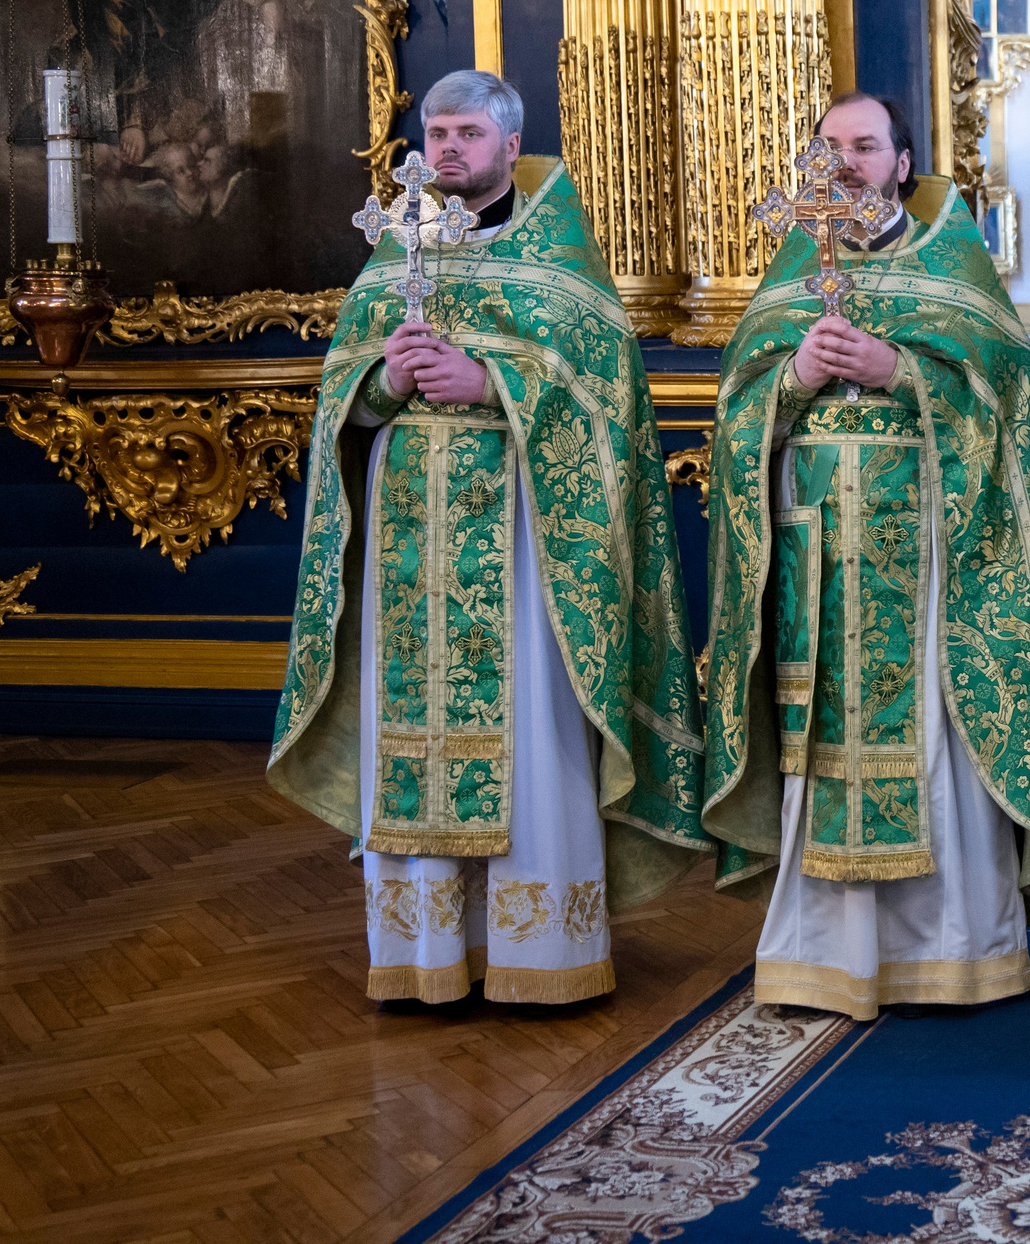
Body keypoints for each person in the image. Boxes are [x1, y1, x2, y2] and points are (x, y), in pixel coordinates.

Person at [270, 70, 706, 1004]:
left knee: (533, 729)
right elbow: (341, 395)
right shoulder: (394, 255)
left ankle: (539, 953)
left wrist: (496, 383)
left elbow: (607, 401)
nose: (448, 149)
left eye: (468, 132)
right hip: (406, 549)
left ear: (510, 145)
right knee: (408, 726)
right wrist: (383, 379)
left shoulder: (560, 265)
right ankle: (425, 957)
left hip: (524, 542)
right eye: (435, 131)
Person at [699, 92, 1030, 1020]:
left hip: (934, 555)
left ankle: (952, 949)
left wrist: (897, 370)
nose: (844, 163)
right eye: (828, 147)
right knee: (819, 733)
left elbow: (1000, 402)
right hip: (818, 549)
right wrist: (795, 377)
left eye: (864, 146)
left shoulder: (954, 260)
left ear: (903, 163)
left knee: (933, 734)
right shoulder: (794, 265)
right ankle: (824, 952)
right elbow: (738, 410)